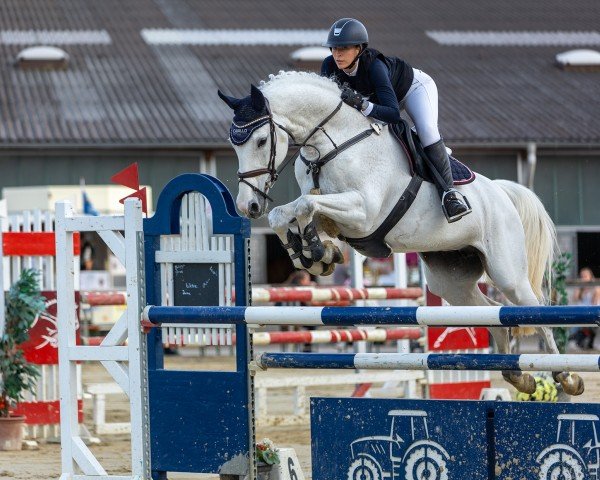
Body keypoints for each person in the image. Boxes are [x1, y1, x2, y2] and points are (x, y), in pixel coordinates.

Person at [321, 18, 471, 223]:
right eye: (334, 48)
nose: (337, 54)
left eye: (344, 48)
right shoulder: (329, 66)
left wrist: (362, 105)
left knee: (426, 130)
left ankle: (450, 194)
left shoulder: (374, 66)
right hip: (378, 101)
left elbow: (392, 113)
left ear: (359, 49)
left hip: (413, 90)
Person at [569, 267, 600, 350]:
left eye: (585, 276)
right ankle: (574, 341)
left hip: (592, 312)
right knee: (572, 319)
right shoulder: (581, 289)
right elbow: (575, 299)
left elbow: (595, 303)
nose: (583, 278)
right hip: (582, 312)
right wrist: (579, 287)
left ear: (590, 277)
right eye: (582, 276)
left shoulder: (595, 287)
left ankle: (574, 340)